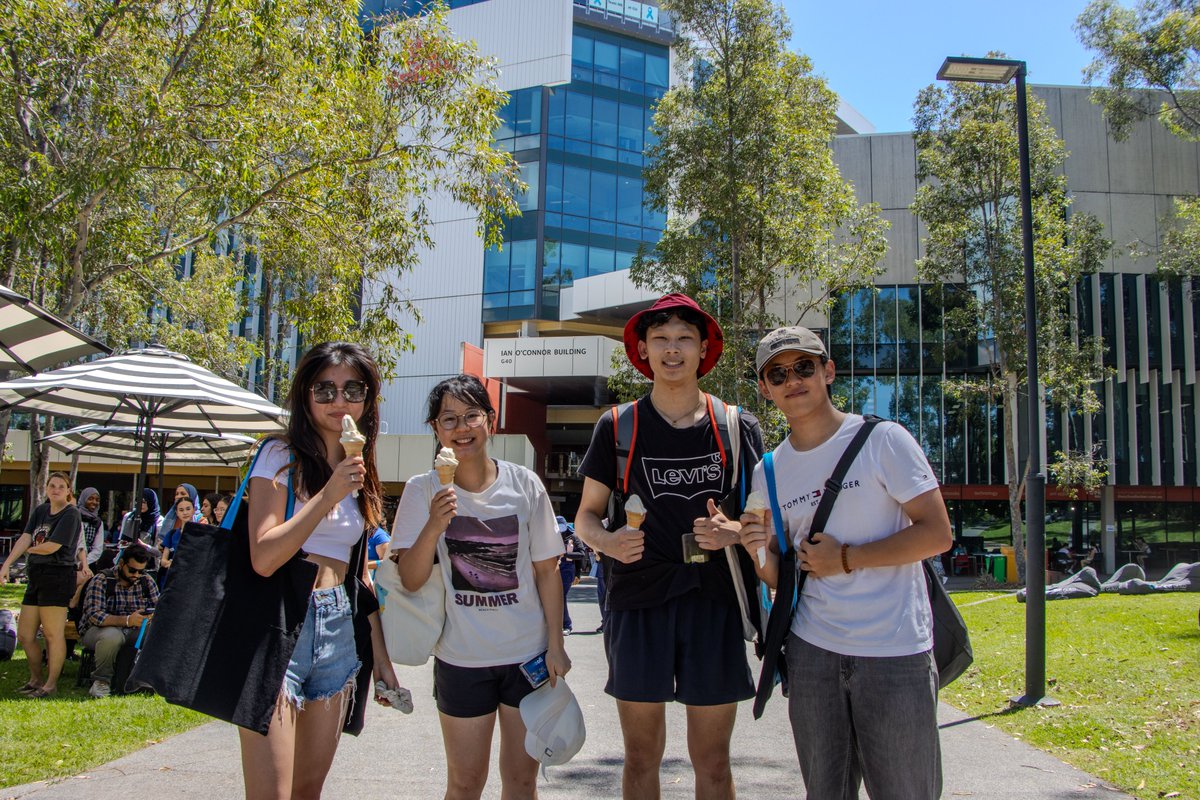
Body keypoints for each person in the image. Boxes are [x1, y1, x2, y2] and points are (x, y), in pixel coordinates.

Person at [737, 325, 953, 800]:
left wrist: (848, 558)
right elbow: (784, 575)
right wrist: (758, 549)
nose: (792, 379)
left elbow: (937, 534)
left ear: (828, 370)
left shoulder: (884, 440)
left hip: (895, 652)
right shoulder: (768, 469)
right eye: (777, 373)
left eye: (804, 367)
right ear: (765, 388)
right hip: (813, 654)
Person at [575, 293, 764, 800]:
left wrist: (734, 532)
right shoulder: (617, 426)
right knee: (639, 758)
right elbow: (585, 518)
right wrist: (609, 542)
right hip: (638, 603)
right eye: (661, 339)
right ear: (643, 349)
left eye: (684, 338)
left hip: (715, 603)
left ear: (704, 349)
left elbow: (765, 520)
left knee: (714, 763)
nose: (673, 349)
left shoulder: (737, 427)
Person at [393, 374, 569, 800]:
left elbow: (547, 571)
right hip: (460, 659)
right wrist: (435, 524)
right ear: (436, 429)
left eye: (471, 415)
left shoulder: (525, 484)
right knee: (465, 782)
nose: (461, 427)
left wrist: (555, 645)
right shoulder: (421, 489)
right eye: (448, 419)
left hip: (526, 656)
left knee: (522, 780)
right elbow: (411, 580)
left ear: (491, 420)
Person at [241, 341, 402, 799]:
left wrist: (383, 662)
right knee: (272, 791)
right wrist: (328, 495)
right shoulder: (279, 455)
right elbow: (264, 555)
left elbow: (359, 579)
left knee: (308, 789)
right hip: (278, 625)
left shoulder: (359, 467)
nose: (340, 401)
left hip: (338, 629)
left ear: (368, 399)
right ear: (304, 396)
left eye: (353, 389)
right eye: (324, 390)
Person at [0, 472, 84, 698]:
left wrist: (29, 550)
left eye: (61, 486)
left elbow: (53, 546)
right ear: (46, 488)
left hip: (57, 576)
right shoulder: (39, 511)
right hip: (36, 575)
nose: (55, 489)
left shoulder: (71, 513)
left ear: (68, 491)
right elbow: (26, 537)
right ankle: (35, 679)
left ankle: (50, 684)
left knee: (52, 634)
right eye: (52, 485)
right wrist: (6, 564)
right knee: (26, 635)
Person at [78, 544, 159, 698]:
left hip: (136, 630)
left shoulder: (146, 581)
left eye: (141, 571)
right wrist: (127, 620)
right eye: (132, 570)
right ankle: (101, 681)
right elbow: (95, 615)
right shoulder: (102, 579)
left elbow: (159, 609)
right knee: (112, 637)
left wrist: (150, 617)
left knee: (157, 634)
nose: (136, 574)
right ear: (121, 563)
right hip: (98, 631)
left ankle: (145, 679)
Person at [158, 495, 196, 587]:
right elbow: (163, 561)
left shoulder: (200, 534)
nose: (185, 512)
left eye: (188, 509)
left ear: (194, 510)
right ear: (177, 513)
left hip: (191, 581)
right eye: (181, 510)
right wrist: (171, 564)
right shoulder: (171, 534)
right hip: (171, 581)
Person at [78, 488, 107, 569]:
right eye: (90, 499)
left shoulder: (97, 522)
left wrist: (84, 563)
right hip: (70, 562)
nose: (94, 502)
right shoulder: (74, 516)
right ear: (84, 499)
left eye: (97, 500)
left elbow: (97, 549)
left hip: (88, 565)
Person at [557, 516, 576, 634]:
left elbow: (581, 555)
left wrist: (566, 555)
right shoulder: (552, 536)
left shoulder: (573, 537)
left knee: (561, 596)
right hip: (554, 569)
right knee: (556, 597)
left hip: (567, 569)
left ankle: (567, 625)